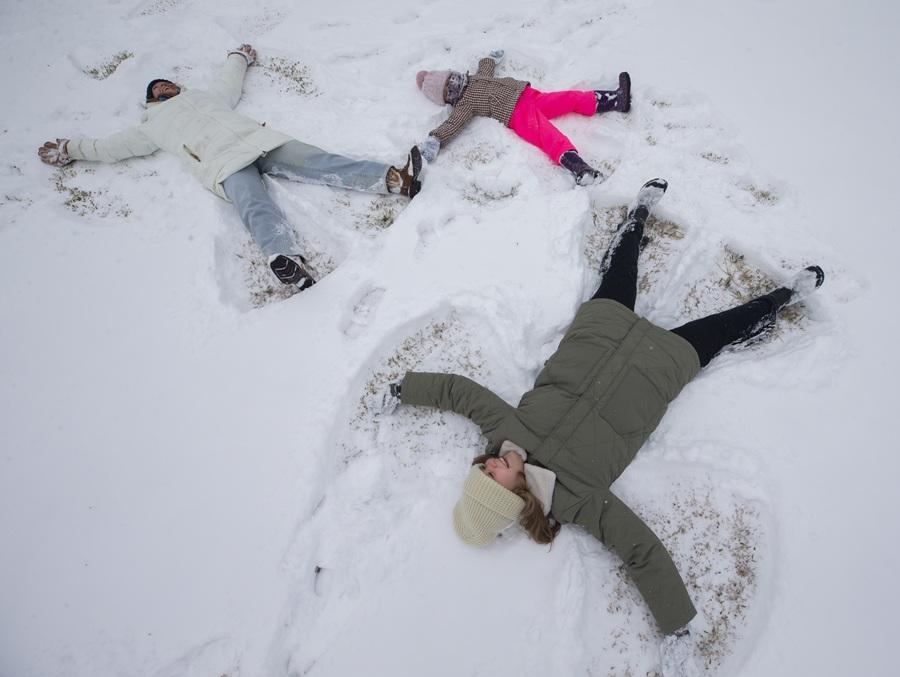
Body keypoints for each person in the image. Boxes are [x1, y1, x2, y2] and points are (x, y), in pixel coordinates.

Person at [370, 179, 825, 676]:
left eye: (481, 467)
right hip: (659, 368)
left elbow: (457, 391)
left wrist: (402, 390)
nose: (488, 462)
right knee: (729, 325)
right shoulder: (577, 500)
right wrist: (675, 625)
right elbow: (639, 549)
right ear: (512, 496)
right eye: (491, 476)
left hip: (600, 332)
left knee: (621, 270)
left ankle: (638, 215)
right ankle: (784, 296)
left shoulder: (504, 430)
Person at [38, 44, 423, 291]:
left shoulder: (206, 97)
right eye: (158, 88)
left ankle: (392, 179)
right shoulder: (151, 127)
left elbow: (229, 80)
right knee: (254, 207)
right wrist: (72, 148)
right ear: (150, 100)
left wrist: (238, 56)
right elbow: (111, 147)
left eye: (169, 83)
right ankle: (285, 260)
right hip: (222, 164)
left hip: (260, 142)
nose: (165, 87)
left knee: (317, 161)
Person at [413, 49, 631, 185]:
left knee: (569, 98)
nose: (454, 85)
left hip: (529, 96)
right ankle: (580, 169)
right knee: (549, 136)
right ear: (448, 99)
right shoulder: (465, 105)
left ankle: (616, 100)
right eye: (449, 89)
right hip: (515, 113)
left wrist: (489, 58)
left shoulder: (478, 77)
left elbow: (486, 66)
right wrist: (436, 139)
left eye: (452, 79)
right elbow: (452, 124)